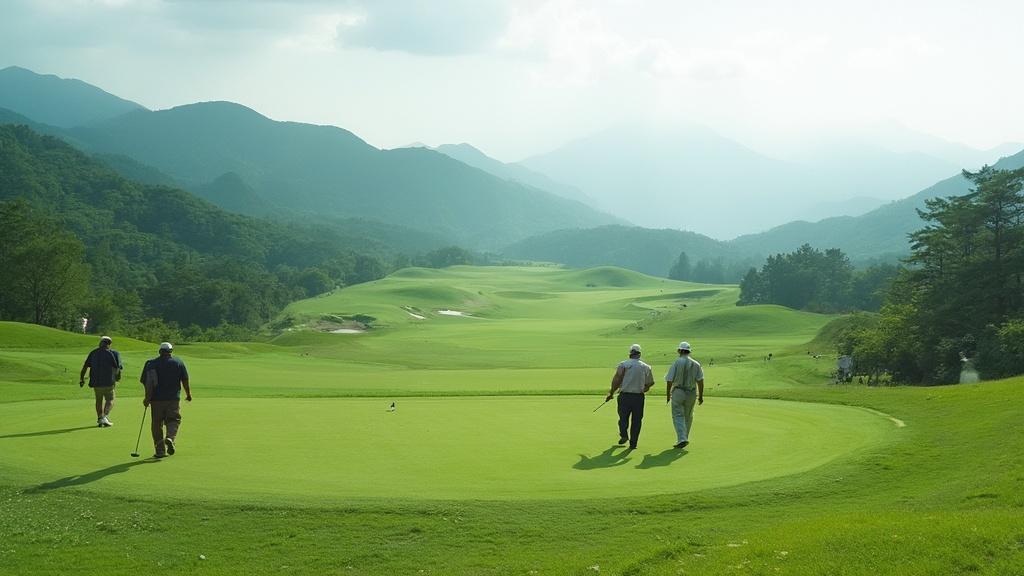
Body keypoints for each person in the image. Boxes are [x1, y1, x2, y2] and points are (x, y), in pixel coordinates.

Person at [140, 342, 192, 459]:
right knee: (174, 419)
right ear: (171, 351)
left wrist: (147, 398)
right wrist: (188, 394)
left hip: (156, 400)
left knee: (156, 424)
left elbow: (147, 382)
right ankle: (170, 438)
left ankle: (160, 451)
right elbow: (185, 379)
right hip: (173, 399)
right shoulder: (178, 362)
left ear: (160, 351)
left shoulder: (151, 364)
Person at [606, 343, 655, 450]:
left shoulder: (623, 365)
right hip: (638, 397)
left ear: (630, 354)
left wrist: (611, 393)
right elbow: (650, 382)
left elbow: (617, 379)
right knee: (637, 420)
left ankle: (624, 434)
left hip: (624, 396)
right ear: (639, 354)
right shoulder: (646, 367)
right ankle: (633, 443)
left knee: (623, 418)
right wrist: (645, 388)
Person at [665, 341, 704, 449]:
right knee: (688, 415)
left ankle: (682, 438)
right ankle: (684, 438)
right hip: (691, 392)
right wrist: (700, 395)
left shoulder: (677, 362)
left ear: (680, 351)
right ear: (689, 351)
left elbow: (669, 380)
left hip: (678, 392)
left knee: (678, 415)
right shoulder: (696, 364)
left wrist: (668, 394)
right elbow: (700, 381)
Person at [79, 336, 123, 427]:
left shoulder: (93, 353)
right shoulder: (114, 353)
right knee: (110, 399)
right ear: (109, 344)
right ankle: (104, 417)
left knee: (98, 400)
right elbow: (118, 368)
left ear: (101, 343)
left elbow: (85, 367)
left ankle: (100, 418)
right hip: (109, 381)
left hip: (95, 382)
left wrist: (82, 379)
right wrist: (118, 377)